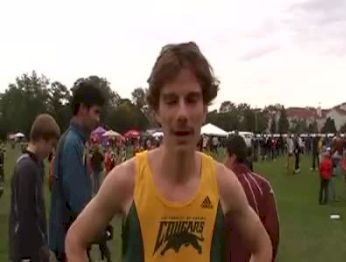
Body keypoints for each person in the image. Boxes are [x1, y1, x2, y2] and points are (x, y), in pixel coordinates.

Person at [65, 42, 272, 261]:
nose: (182, 114)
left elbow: (262, 246)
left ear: (204, 109)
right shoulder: (127, 180)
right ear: (156, 110)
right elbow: (75, 240)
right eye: (171, 101)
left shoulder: (223, 183)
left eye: (192, 100)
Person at [49, 80, 106, 261]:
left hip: (69, 237)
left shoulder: (75, 140)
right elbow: (78, 202)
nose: (98, 119)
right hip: (70, 241)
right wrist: (97, 226)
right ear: (82, 108)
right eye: (96, 112)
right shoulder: (73, 143)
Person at [9, 114, 60, 261]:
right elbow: (27, 216)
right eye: (51, 144)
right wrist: (40, 250)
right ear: (42, 139)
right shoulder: (27, 168)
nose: (51, 150)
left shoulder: (34, 165)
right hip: (27, 252)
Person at [224, 135, 279, 261]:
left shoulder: (223, 186)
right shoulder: (263, 185)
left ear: (232, 157)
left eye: (225, 156)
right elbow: (273, 232)